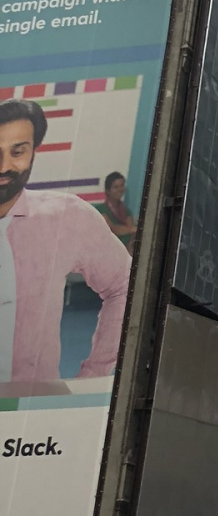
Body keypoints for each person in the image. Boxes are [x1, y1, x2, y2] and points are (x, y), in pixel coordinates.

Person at [0, 98, 129, 382]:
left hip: (35, 416)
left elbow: (125, 284)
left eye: (17, 152)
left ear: (33, 152)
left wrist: (95, 374)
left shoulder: (65, 216)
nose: (4, 166)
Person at [96, 171, 137, 248]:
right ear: (107, 190)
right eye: (115, 187)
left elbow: (132, 231)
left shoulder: (126, 211)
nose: (120, 189)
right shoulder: (100, 210)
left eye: (122, 185)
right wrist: (130, 229)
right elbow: (112, 230)